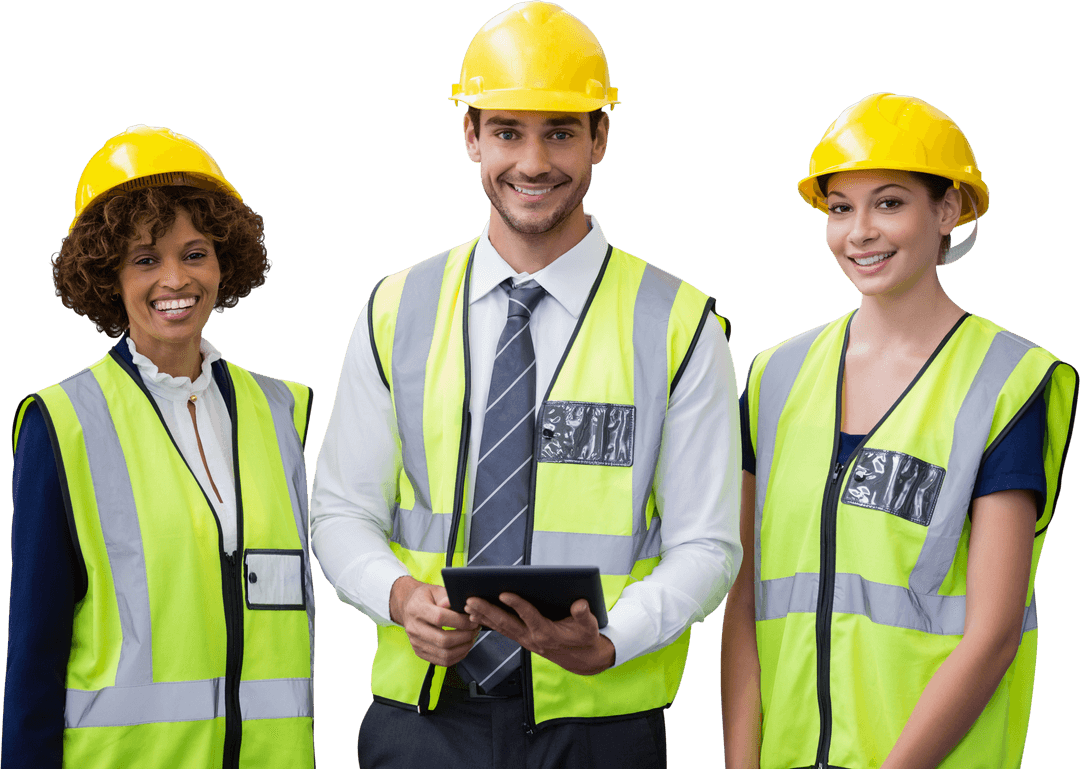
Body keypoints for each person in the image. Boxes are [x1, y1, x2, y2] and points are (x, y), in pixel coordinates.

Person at [309, 2, 742, 767]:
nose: (533, 162)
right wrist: (401, 598)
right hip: (422, 722)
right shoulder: (395, 307)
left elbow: (706, 543)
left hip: (602, 726)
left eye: (562, 131)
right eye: (509, 131)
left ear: (600, 138)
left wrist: (612, 637)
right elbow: (342, 510)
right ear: (471, 135)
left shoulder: (682, 324)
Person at [720, 92, 1077, 769]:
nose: (859, 232)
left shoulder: (1008, 381)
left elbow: (994, 633)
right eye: (840, 208)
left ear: (947, 211)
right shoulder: (775, 375)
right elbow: (746, 602)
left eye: (889, 202)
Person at [3, 125, 316, 768]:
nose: (175, 278)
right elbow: (33, 652)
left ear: (224, 261)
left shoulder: (284, 411)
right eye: (146, 259)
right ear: (107, 274)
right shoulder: (63, 421)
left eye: (195, 253)